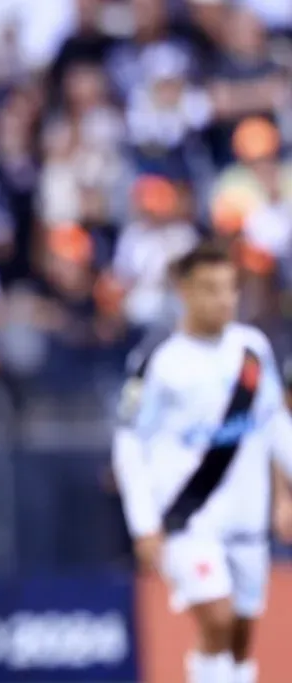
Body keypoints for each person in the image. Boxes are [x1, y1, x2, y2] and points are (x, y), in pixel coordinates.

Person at [112, 240, 292, 683]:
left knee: (239, 636)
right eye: (211, 289)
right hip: (187, 519)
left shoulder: (252, 349)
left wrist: (285, 494)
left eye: (230, 288)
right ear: (185, 291)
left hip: (247, 519)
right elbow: (129, 443)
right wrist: (144, 523)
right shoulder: (158, 361)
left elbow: (274, 425)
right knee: (217, 617)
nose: (224, 299)